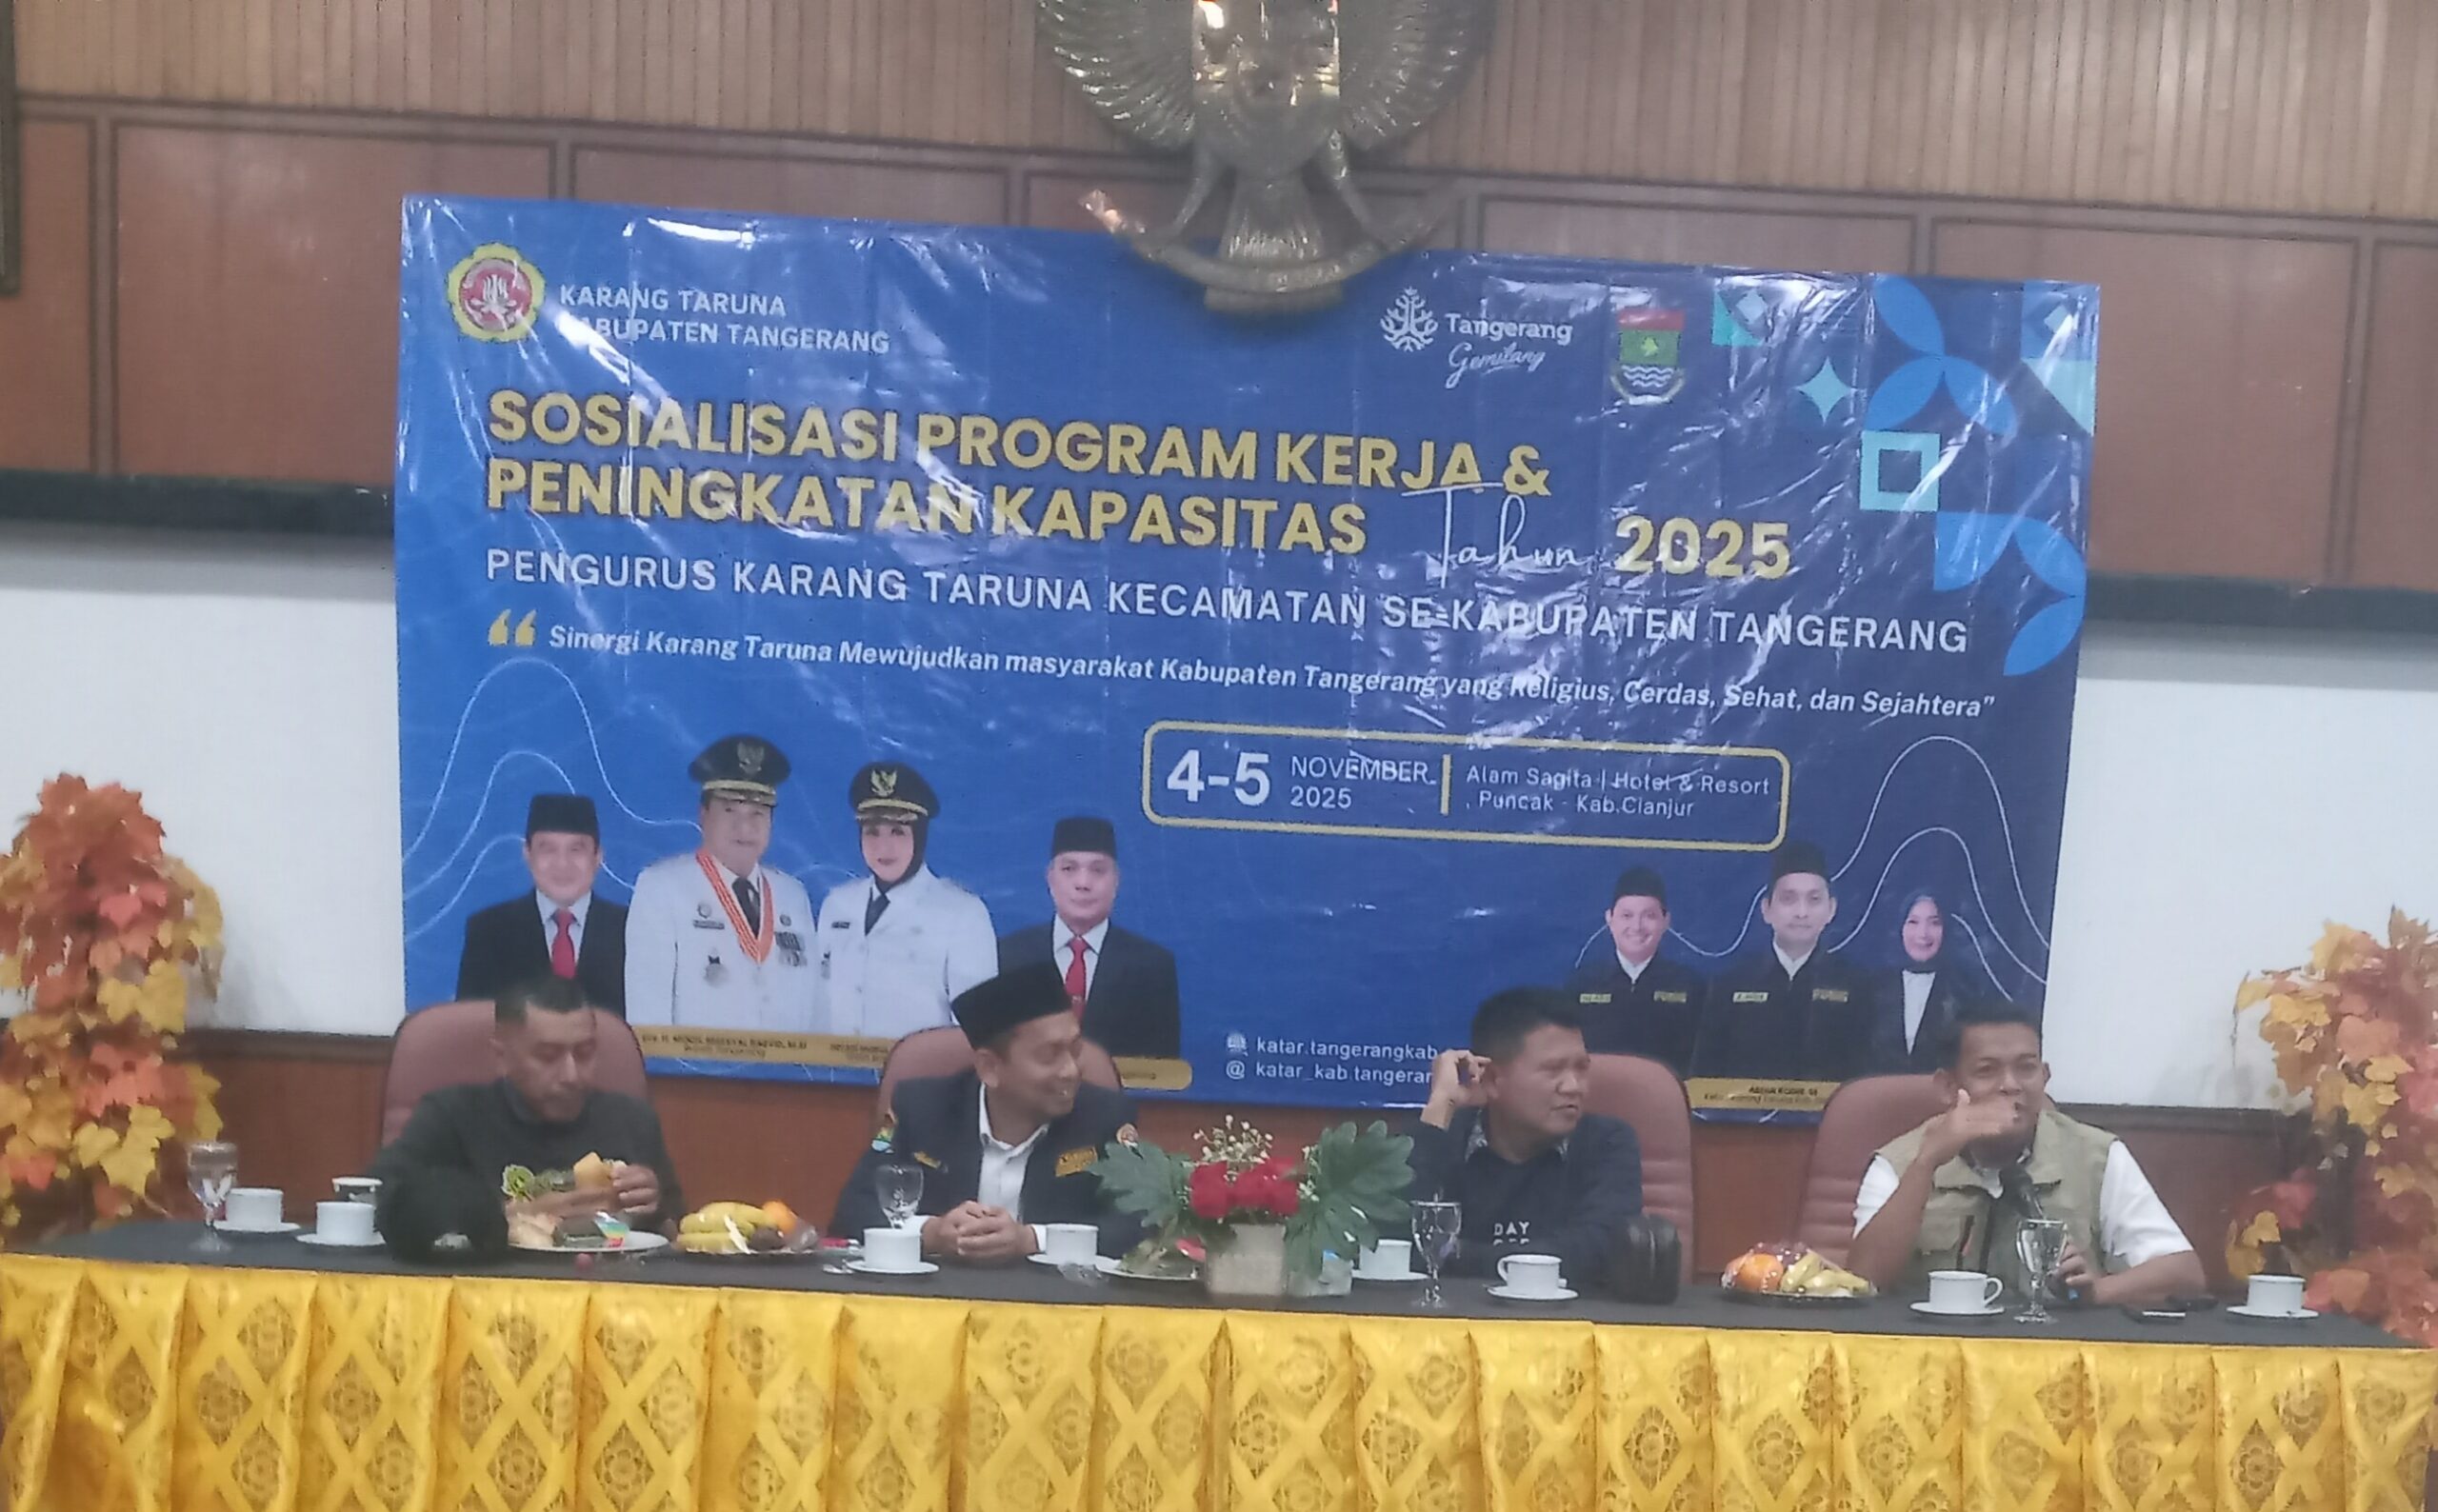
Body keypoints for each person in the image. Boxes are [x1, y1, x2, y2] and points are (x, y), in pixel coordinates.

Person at [1847, 1000, 2205, 1305]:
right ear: (1949, 1086)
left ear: (2045, 1076)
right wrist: (1927, 1163)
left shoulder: (2096, 1155)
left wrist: (2097, 1291)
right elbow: (1863, 1282)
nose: (2011, 1085)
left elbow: (2185, 1273)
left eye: (2026, 1068)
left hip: (2055, 1355)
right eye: (1987, 1071)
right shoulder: (1898, 1162)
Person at [831, 963, 1144, 1261]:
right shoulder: (919, 1109)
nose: (1071, 1070)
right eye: (1050, 1055)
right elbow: (854, 1209)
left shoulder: (1106, 1118)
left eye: (1075, 1050)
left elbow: (1141, 1225)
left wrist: (1032, 1240)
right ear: (989, 1068)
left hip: (1056, 1296)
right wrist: (932, 1233)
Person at [370, 975, 683, 1230]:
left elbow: (678, 1231)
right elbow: (374, 1201)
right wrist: (510, 1216)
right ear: (502, 1057)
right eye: (548, 1056)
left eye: (585, 1053)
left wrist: (653, 1209)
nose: (571, 1075)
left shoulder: (632, 1120)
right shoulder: (451, 1115)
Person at [1408, 987, 1644, 1291]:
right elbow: (1401, 1245)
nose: (1574, 1087)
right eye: (1553, 1070)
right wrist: (1440, 1106)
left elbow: (1599, 1251)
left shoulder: (1607, 1142)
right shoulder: (1441, 1141)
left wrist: (1454, 1255)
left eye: (1581, 1068)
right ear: (1492, 1079)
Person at [625, 735, 819, 1030]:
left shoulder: (792, 895)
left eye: (758, 812)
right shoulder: (662, 888)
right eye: (730, 810)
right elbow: (647, 1016)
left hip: (787, 1060)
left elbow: (814, 1009)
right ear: (703, 815)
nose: (745, 827)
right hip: (698, 1061)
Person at [811, 761, 996, 1038]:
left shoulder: (962, 914)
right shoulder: (837, 904)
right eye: (872, 832)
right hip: (834, 1064)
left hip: (921, 1067)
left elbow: (978, 1029)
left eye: (898, 832)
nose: (883, 847)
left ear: (920, 837)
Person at [1692, 840, 1877, 1082]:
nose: (1802, 912)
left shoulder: (1856, 985)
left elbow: (1866, 1081)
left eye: (1814, 899)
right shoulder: (1730, 984)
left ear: (1831, 909)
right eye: (1789, 899)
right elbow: (1704, 1076)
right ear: (1766, 909)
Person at [996, 816, 1181, 1058]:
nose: (1083, 883)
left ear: (1116, 881)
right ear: (1050, 878)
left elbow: (1161, 1066)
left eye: (1098, 870)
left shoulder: (1151, 965)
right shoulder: (1010, 956)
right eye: (1069, 869)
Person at [456, 793, 629, 1015]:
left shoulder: (630, 928)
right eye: (548, 849)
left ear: (598, 857)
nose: (562, 864)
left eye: (576, 849)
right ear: (527, 855)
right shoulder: (489, 930)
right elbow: (472, 1024)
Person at [1562, 865, 1703, 1074]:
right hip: (1599, 1092)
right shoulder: (1582, 983)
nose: (1637, 926)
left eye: (1649, 916)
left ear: (1666, 921)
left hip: (1667, 1094)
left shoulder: (1690, 985)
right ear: (1609, 919)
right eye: (1627, 915)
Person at [1862, 890, 1987, 1073]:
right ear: (1899, 927)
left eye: (1934, 923)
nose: (1923, 934)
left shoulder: (1966, 991)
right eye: (1913, 922)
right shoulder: (1871, 988)